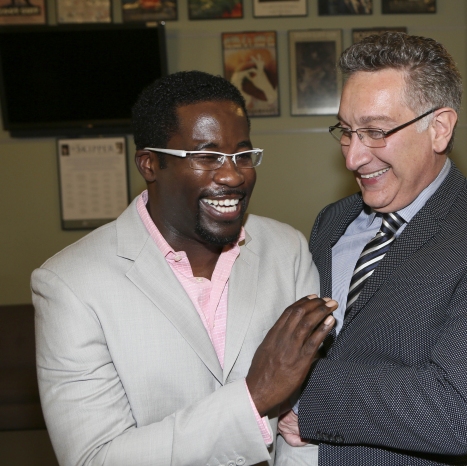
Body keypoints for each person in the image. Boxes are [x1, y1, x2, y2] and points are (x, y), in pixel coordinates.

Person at [32, 70, 336, 466]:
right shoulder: (70, 284)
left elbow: (303, 430)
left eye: (242, 155)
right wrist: (252, 398)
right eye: (206, 157)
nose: (232, 175)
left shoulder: (287, 249)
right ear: (149, 164)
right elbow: (95, 458)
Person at [277, 32, 467, 465]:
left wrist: (294, 391)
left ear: (439, 128)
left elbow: (456, 412)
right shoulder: (333, 221)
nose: (352, 158)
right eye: (346, 132)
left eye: (375, 131)